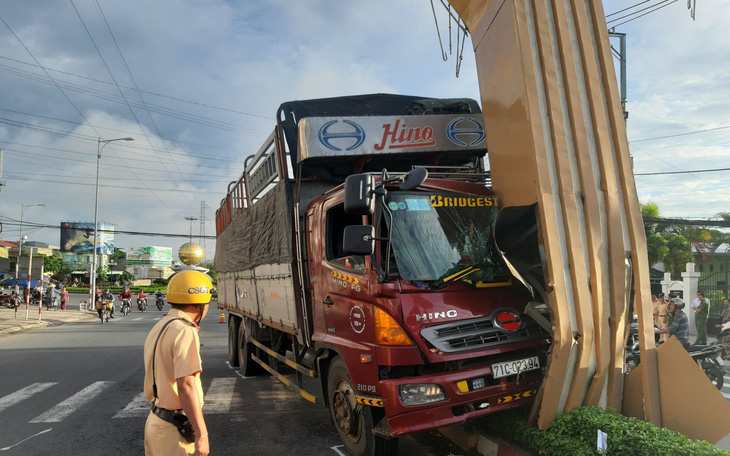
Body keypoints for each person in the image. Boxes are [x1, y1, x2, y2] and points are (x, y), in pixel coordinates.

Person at [143, 270, 212, 456]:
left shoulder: (162, 324)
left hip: (156, 423)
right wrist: (201, 434)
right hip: (175, 430)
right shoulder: (184, 330)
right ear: (201, 304)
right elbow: (186, 386)